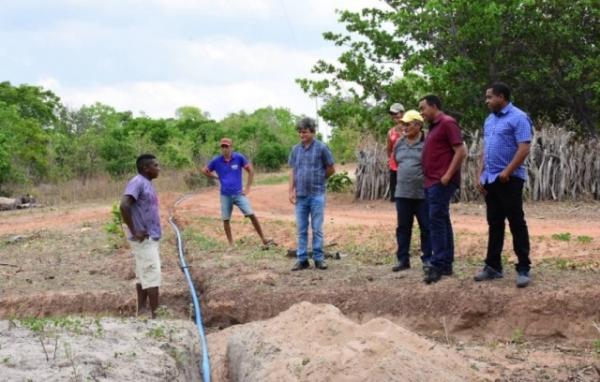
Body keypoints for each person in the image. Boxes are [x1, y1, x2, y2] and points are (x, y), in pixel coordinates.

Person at [474, 82, 533, 288]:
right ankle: (493, 266)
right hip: (491, 179)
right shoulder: (489, 120)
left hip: (510, 179)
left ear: (501, 97)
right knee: (495, 223)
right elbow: (486, 148)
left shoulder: (519, 117)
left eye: (490, 97)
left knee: (516, 222)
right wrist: (481, 172)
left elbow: (524, 148)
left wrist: (507, 172)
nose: (487, 101)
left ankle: (523, 267)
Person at [419, 95, 467, 284]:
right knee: (441, 221)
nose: (421, 113)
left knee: (436, 222)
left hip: (440, 182)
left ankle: (438, 264)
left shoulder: (447, 123)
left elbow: (460, 151)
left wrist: (447, 175)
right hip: (431, 181)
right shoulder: (433, 127)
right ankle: (445, 263)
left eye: (423, 108)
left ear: (434, 106)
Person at [202, 138, 273, 248]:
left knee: (251, 214)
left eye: (227, 146)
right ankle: (231, 244)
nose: (225, 149)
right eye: (223, 147)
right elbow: (205, 170)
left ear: (231, 147)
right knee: (226, 219)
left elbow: (250, 171)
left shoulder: (238, 157)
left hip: (239, 193)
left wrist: (248, 188)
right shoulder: (216, 161)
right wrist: (216, 177)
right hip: (225, 194)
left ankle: (263, 239)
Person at [288, 117, 335, 271]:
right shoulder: (296, 149)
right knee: (301, 229)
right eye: (300, 132)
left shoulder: (321, 148)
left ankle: (319, 258)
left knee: (317, 229)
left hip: (317, 194)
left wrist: (321, 179)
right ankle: (302, 259)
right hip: (301, 195)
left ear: (313, 132)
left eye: (305, 132)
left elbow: (331, 168)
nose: (302, 135)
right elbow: (293, 171)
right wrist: (291, 190)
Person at [120, 154, 162, 319]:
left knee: (143, 274)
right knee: (152, 275)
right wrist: (134, 230)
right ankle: (156, 317)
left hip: (149, 237)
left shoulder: (147, 184)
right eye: (156, 165)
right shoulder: (137, 182)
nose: (159, 169)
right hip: (144, 239)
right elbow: (124, 205)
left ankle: (142, 311)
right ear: (146, 168)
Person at [392, 110, 431, 272]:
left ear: (418, 125)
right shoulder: (399, 143)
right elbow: (394, 159)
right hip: (402, 193)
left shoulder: (427, 141)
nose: (404, 127)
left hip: (422, 193)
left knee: (426, 227)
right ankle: (403, 260)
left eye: (408, 124)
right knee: (403, 228)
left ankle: (428, 259)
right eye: (403, 124)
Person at [387, 103, 405, 202]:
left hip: (407, 165)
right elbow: (389, 149)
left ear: (403, 113)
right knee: (395, 195)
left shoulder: (410, 129)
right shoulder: (390, 132)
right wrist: (391, 160)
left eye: (396, 113)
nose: (394, 116)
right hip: (394, 166)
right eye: (392, 114)